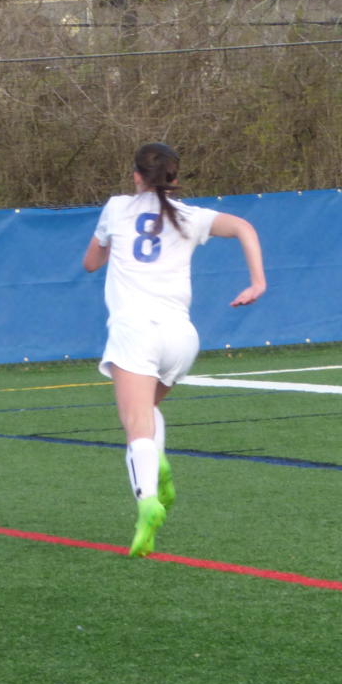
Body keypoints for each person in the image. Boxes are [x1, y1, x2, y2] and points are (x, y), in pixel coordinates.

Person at [83, 142, 265, 558]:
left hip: (136, 331)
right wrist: (257, 282)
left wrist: (106, 245)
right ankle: (159, 464)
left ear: (135, 177)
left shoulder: (116, 208)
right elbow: (245, 229)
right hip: (181, 337)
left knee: (135, 426)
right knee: (148, 413)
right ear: (175, 178)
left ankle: (147, 501)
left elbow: (91, 263)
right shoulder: (192, 217)